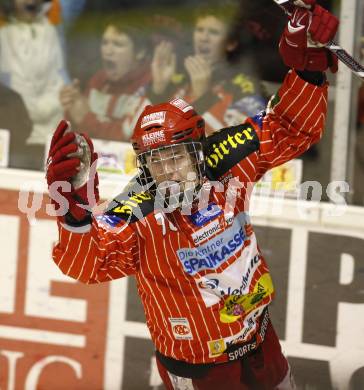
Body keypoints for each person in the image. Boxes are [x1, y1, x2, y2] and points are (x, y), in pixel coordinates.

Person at [46, 1, 338, 388]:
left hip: (258, 336)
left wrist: (307, 67)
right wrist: (74, 212)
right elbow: (88, 266)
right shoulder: (137, 208)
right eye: (155, 161)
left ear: (198, 150)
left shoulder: (228, 158)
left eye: (175, 157)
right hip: (199, 365)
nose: (166, 171)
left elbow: (289, 126)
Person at [149, 5, 268, 136]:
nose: (204, 38)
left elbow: (237, 145)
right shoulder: (179, 77)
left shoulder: (245, 88)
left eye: (213, 32)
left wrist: (202, 96)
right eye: (200, 30)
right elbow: (150, 135)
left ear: (231, 43)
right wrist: (158, 90)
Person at [59, 20, 152, 142]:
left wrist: (85, 119)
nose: (108, 51)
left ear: (140, 52)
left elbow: (129, 139)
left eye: (118, 44)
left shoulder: (150, 86)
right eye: (105, 43)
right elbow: (77, 132)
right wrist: (72, 108)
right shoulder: (98, 80)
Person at [0, 0, 69, 153]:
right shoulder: (4, 34)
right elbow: (12, 86)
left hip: (51, 126)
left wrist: (53, 105)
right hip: (18, 128)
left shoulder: (50, 30)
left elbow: (57, 77)